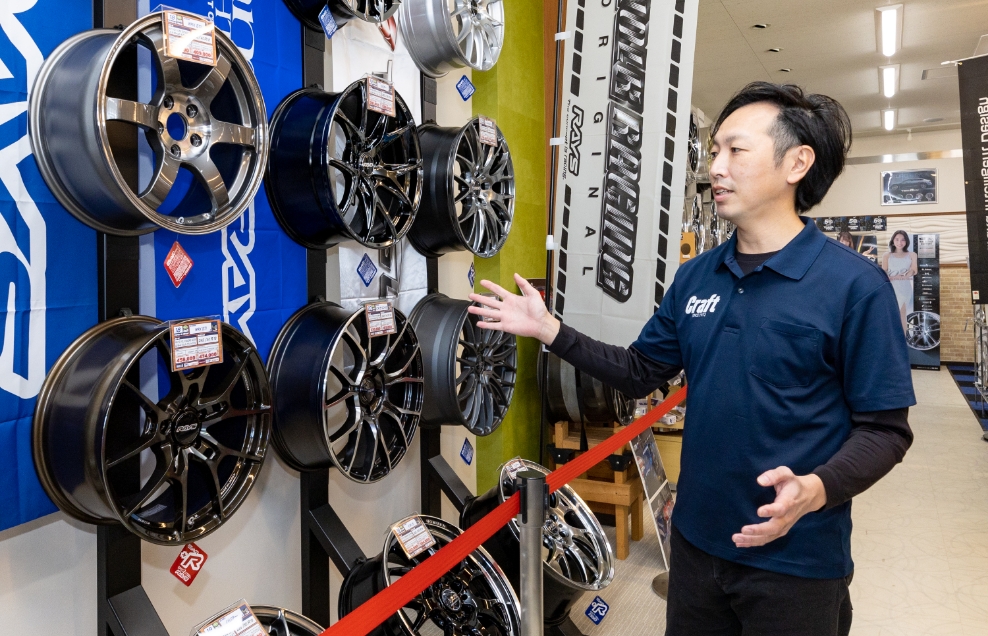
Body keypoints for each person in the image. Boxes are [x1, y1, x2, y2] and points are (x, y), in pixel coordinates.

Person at [469, 82, 915, 636]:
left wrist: (818, 487)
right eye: (714, 151)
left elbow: (885, 430)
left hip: (797, 561)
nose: (716, 168)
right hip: (696, 549)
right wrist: (549, 330)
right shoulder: (697, 277)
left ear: (797, 163)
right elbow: (638, 372)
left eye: (736, 150)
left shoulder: (854, 286)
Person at [882, 230, 917, 334]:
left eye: (902, 240)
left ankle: (902, 339)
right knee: (890, 314)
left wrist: (908, 274)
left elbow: (914, 270)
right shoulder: (887, 255)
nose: (899, 242)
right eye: (897, 239)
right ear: (893, 241)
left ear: (906, 241)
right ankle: (891, 338)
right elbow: (884, 273)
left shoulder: (912, 254)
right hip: (891, 288)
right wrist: (894, 277)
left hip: (905, 287)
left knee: (902, 314)